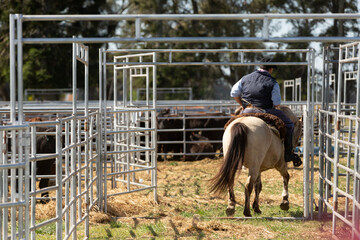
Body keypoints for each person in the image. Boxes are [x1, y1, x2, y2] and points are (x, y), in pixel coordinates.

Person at [230, 57, 299, 164]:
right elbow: (276, 104)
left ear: (260, 66)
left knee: (230, 125)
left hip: (247, 111)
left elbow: (234, 93)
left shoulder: (245, 78)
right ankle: (288, 153)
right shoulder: (273, 82)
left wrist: (242, 105)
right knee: (289, 124)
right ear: (271, 69)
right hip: (265, 111)